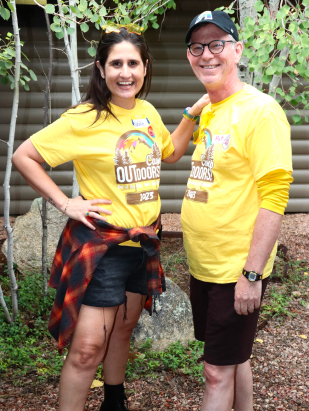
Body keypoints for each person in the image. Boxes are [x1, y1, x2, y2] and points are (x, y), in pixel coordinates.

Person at [12, 25, 209, 411]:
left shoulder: (147, 112)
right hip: (102, 247)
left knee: (123, 330)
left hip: (143, 245)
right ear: (101, 69)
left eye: (133, 63)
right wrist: (66, 204)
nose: (125, 72)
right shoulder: (83, 118)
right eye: (116, 63)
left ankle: (114, 402)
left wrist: (191, 114)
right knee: (86, 349)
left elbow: (168, 153)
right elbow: (24, 156)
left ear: (145, 67)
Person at [180, 10, 293, 411]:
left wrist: (251, 274)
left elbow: (274, 197)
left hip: (235, 269)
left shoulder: (261, 111)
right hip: (204, 267)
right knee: (233, 358)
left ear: (238, 49)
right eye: (197, 46)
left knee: (215, 372)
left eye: (217, 44)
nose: (206, 54)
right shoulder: (212, 109)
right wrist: (194, 110)